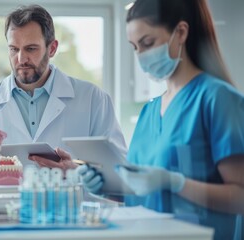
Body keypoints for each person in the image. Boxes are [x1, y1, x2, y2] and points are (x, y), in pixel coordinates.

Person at [76, 0, 244, 239]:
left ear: (181, 33)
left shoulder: (217, 99)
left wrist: (176, 183)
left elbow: (240, 198)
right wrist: (107, 187)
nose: (141, 55)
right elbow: (143, 190)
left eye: (147, 43)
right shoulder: (149, 112)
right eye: (135, 47)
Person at [0, 4, 126, 190]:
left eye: (31, 49)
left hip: (70, 213)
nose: (21, 59)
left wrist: (76, 172)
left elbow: (120, 169)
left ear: (52, 49)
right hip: (3, 215)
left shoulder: (93, 99)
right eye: (14, 49)